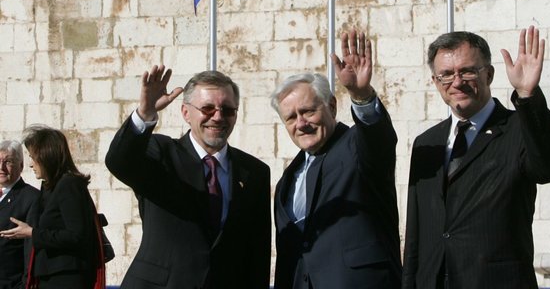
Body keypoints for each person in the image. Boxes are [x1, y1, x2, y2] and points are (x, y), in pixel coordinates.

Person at [402, 26, 550, 289]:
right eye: (446, 75)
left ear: (489, 74)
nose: (457, 82)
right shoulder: (427, 143)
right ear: (435, 82)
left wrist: (527, 96)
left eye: (467, 71)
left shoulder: (518, 127)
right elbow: (416, 233)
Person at [105, 66, 271, 289]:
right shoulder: (160, 153)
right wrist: (145, 114)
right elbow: (119, 162)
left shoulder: (254, 172)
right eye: (208, 108)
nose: (218, 117)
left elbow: (257, 251)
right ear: (186, 113)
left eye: (228, 110)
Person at [271, 30, 401, 289]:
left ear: (331, 106)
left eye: (308, 111)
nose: (301, 123)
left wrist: (362, 96)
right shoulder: (288, 179)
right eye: (291, 117)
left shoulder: (355, 146)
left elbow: (378, 140)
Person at [0, 126, 103, 289]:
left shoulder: (69, 184)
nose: (31, 165)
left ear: (46, 157)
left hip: (67, 277)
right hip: (50, 276)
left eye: (33, 158)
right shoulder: (50, 187)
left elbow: (77, 235)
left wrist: (32, 232)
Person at [0, 140, 40, 289]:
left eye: (8, 162)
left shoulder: (31, 198)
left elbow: (31, 250)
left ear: (21, 165)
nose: (1, 168)